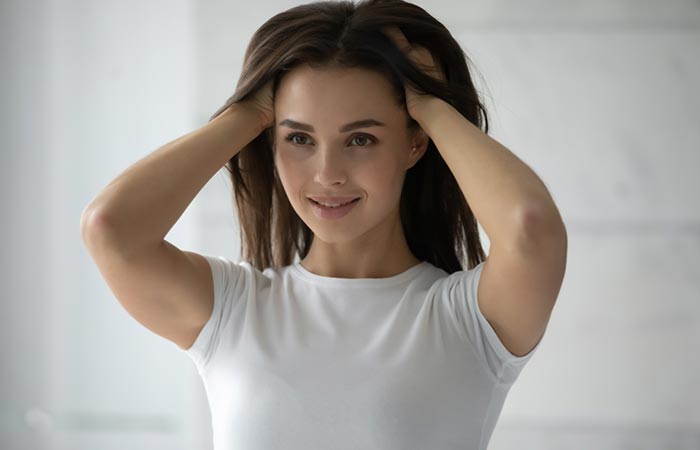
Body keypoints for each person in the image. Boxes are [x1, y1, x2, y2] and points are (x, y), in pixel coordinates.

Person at [80, 0, 567, 449]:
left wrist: (429, 103)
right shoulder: (232, 311)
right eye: (299, 138)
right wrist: (250, 111)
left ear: (415, 144)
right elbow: (110, 228)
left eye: (360, 140)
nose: (328, 174)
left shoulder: (469, 322)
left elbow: (530, 226)